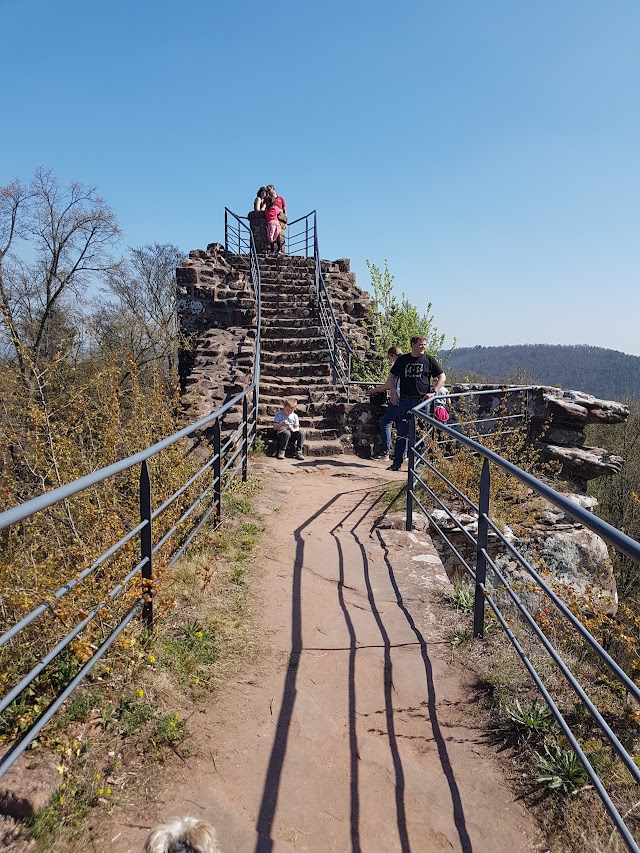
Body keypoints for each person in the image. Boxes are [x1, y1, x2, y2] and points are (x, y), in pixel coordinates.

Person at [374, 335, 446, 471]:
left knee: (421, 433)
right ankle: (397, 463)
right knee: (402, 431)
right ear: (412, 345)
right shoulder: (402, 360)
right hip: (405, 400)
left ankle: (419, 464)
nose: (423, 346)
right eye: (421, 344)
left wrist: (434, 391)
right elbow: (392, 377)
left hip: (422, 401)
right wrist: (393, 391)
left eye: (425, 344)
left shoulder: (429, 360)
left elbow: (442, 377)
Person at [369, 345, 403, 460]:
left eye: (390, 358)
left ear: (393, 356)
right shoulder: (407, 362)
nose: (390, 361)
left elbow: (389, 385)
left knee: (385, 422)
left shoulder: (398, 365)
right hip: (405, 399)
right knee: (401, 426)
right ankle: (404, 454)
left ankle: (385, 453)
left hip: (397, 398)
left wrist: (374, 390)